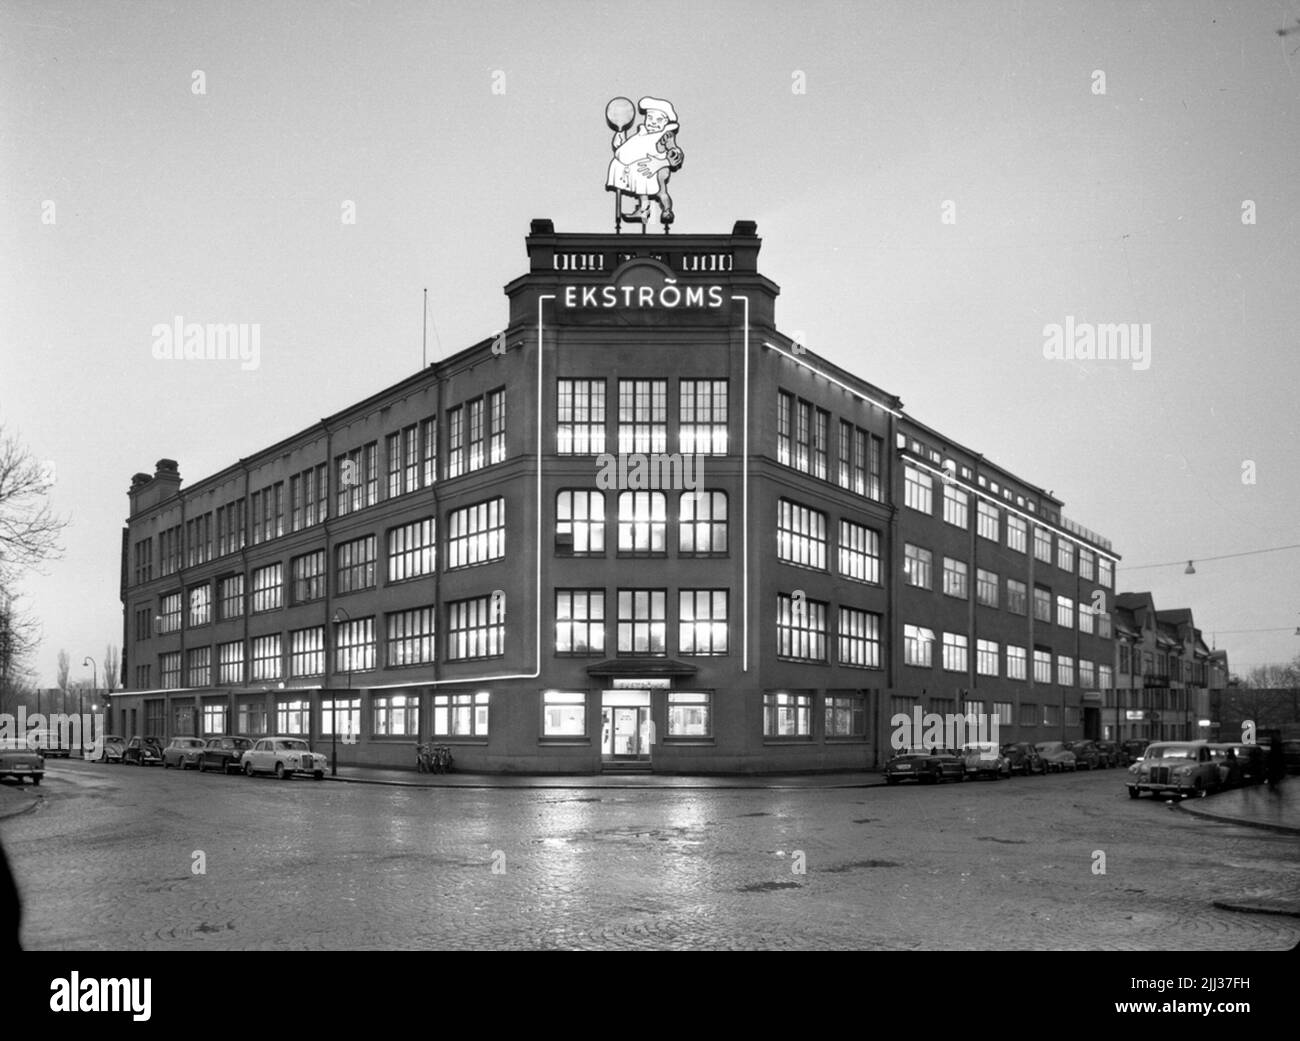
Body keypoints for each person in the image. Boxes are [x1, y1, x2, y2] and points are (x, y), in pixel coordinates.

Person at [606, 97, 684, 226]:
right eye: (650, 118)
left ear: (666, 122)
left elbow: (676, 154)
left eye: (658, 119)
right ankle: (643, 210)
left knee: (661, 192)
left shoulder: (665, 135)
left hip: (658, 170)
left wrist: (659, 163)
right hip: (642, 172)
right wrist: (620, 140)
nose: (653, 122)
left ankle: (667, 210)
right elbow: (630, 149)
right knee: (643, 189)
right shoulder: (642, 134)